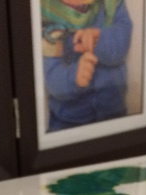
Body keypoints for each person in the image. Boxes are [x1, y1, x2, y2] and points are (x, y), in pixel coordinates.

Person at [41, 0, 132, 131]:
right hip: (69, 121)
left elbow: (122, 43)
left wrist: (100, 40)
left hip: (114, 112)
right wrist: (74, 77)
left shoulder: (112, 4)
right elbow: (52, 78)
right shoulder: (50, 16)